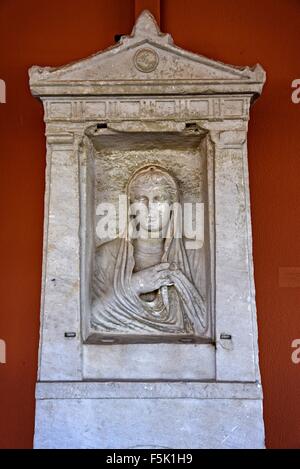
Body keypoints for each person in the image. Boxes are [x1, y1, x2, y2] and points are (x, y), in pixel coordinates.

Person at [91, 165, 207, 337]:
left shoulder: (196, 256)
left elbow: (205, 321)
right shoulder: (105, 256)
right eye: (141, 199)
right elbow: (91, 318)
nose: (149, 207)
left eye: (158, 199)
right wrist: (133, 286)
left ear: (172, 205)